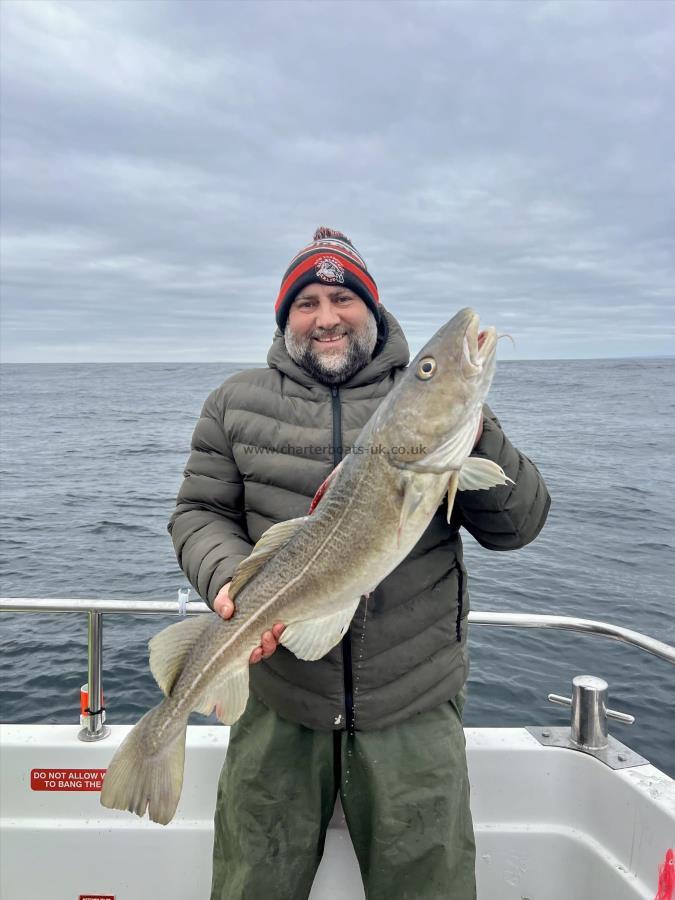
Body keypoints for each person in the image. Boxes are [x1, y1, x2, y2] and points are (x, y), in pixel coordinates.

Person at [168, 227, 550, 900]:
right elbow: (198, 514)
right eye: (306, 302)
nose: (325, 317)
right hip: (279, 699)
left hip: (412, 703)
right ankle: (157, 739)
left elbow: (517, 525)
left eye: (342, 299)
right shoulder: (233, 404)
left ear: (371, 312)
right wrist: (230, 580)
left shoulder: (431, 418)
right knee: (250, 887)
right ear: (285, 318)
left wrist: (470, 421)